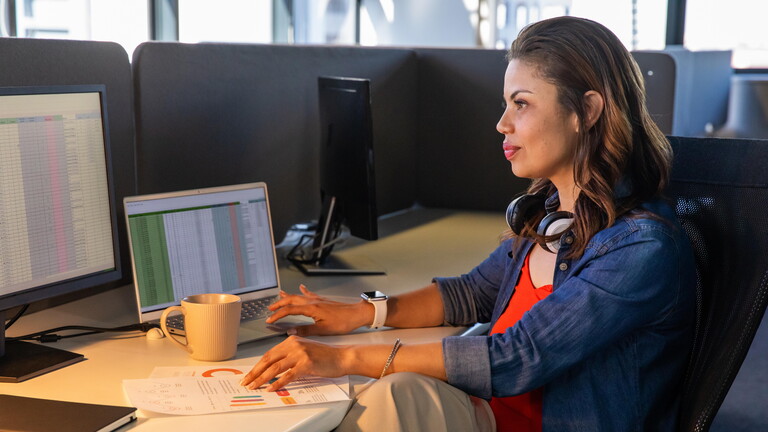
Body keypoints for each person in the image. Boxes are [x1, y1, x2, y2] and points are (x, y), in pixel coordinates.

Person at [240, 16, 696, 431]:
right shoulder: (550, 215)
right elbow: (471, 292)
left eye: (521, 104)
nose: (502, 124)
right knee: (386, 397)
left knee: (379, 398)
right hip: (493, 414)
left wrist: (347, 357)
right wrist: (363, 311)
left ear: (588, 111)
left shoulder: (641, 247)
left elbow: (518, 357)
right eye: (505, 104)